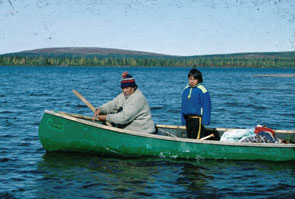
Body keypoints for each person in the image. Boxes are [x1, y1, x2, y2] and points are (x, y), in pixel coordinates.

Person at [181, 68, 211, 139]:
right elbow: (183, 106)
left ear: (199, 79)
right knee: (190, 137)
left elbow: (207, 106)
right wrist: (183, 119)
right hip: (188, 119)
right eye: (190, 79)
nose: (192, 81)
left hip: (198, 120)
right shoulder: (186, 89)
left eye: (194, 79)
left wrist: (205, 121)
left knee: (196, 138)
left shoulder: (202, 90)